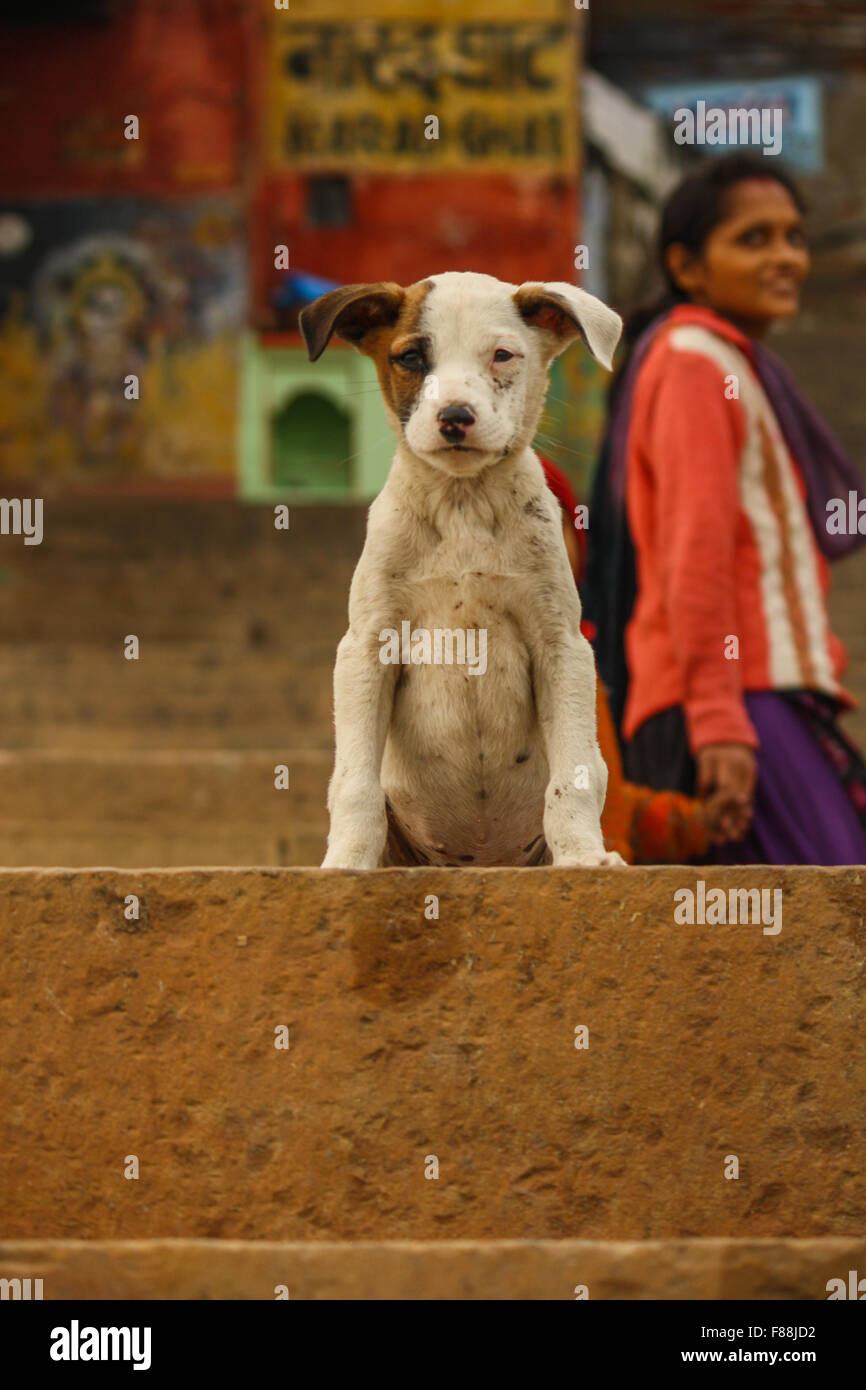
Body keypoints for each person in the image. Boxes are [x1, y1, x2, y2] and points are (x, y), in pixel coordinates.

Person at [582, 153, 866, 865]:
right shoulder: (693, 361)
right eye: (754, 239)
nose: (786, 258)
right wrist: (719, 723)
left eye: (794, 238)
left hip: (764, 698)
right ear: (688, 265)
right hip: (736, 702)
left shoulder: (730, 363)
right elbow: (693, 555)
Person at [540, 456, 749, 863]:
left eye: (552, 520)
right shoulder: (482, 668)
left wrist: (697, 821)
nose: (540, 541)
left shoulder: (581, 660)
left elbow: (612, 808)